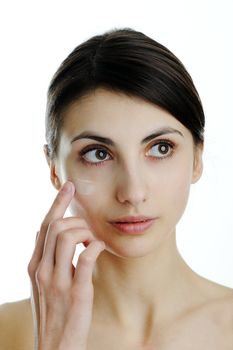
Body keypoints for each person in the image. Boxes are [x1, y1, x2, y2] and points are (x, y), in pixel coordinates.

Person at [0, 27, 232, 350]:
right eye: (98, 154)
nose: (133, 192)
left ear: (197, 158)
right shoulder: (6, 332)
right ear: (54, 169)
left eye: (161, 148)